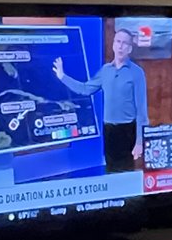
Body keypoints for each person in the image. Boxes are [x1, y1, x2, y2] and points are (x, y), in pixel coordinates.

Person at [55, 27, 149, 174]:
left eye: (125, 43)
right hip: (109, 129)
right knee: (111, 171)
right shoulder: (105, 70)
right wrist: (62, 76)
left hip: (127, 130)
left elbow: (142, 111)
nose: (120, 46)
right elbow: (85, 89)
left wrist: (139, 142)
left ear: (130, 49)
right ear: (113, 44)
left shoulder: (136, 73)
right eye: (118, 41)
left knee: (125, 174)